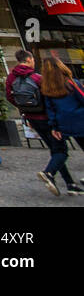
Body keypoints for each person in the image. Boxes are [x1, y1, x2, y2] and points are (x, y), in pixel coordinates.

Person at [5, 49, 78, 195]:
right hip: (47, 118)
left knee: (55, 149)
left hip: (32, 118)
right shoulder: (37, 78)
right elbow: (50, 98)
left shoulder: (11, 78)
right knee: (61, 150)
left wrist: (25, 111)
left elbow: (10, 96)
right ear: (29, 59)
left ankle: (70, 183)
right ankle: (49, 173)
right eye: (32, 60)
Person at [41, 54, 84, 196]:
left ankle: (49, 172)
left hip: (62, 123)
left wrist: (54, 126)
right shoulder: (72, 83)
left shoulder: (47, 89)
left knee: (60, 151)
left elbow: (50, 109)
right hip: (80, 120)